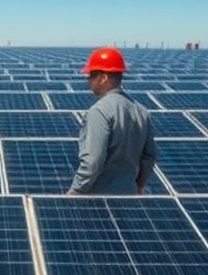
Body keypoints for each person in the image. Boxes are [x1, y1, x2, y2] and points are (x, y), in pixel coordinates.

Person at [67, 47, 158, 195]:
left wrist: (76, 190)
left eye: (91, 75)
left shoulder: (99, 112)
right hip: (129, 196)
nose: (88, 80)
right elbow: (149, 156)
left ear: (103, 78)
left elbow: (93, 161)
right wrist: (140, 185)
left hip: (99, 200)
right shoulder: (141, 110)